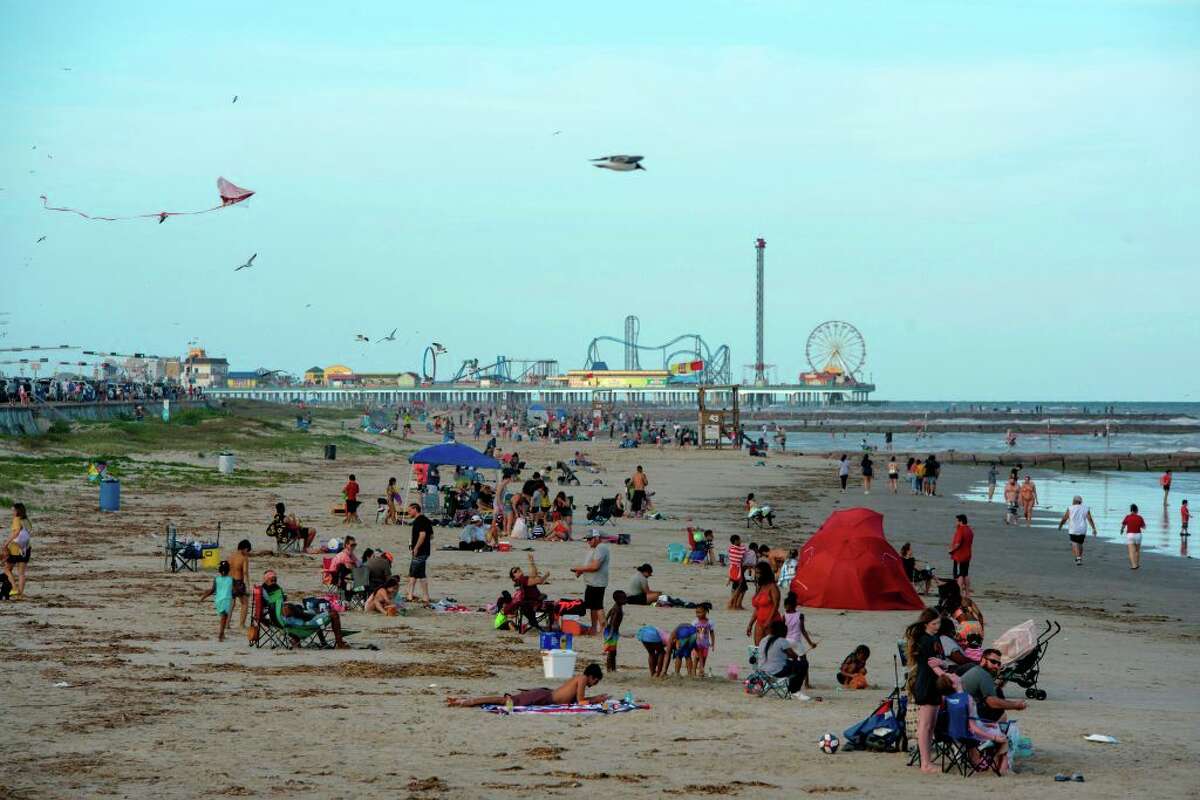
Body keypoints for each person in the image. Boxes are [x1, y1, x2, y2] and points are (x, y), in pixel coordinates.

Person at [446, 662, 607, 707]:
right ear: (592, 676)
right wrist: (596, 699)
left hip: (544, 695)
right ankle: (466, 701)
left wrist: (595, 698)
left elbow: (576, 699)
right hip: (544, 697)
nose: (594, 684)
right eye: (596, 681)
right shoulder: (583, 679)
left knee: (509, 700)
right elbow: (581, 702)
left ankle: (464, 700)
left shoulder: (579, 679)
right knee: (506, 701)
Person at [906, 608, 949, 773]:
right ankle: (925, 763)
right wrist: (946, 676)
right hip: (927, 683)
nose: (937, 626)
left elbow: (940, 661)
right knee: (924, 725)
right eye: (934, 623)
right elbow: (932, 665)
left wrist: (943, 666)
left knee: (931, 725)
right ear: (926, 624)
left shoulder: (935, 638)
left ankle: (927, 760)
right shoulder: (925, 640)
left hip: (934, 683)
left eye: (938, 623)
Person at [261, 569, 349, 648]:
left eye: (274, 579)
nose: (274, 581)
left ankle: (301, 639)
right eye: (271, 579)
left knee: (297, 608)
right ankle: (339, 643)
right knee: (333, 614)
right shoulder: (274, 595)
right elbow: (284, 610)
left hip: (284, 624)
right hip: (293, 624)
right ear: (265, 580)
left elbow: (261, 616)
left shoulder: (267, 597)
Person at [571, 530, 610, 635]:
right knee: (593, 606)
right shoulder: (595, 549)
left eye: (590, 539)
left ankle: (604, 628)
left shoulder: (601, 548)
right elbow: (590, 565)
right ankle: (594, 628)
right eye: (587, 539)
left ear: (596, 538)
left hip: (597, 582)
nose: (588, 541)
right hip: (591, 582)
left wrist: (579, 568)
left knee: (598, 606)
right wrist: (581, 571)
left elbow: (595, 567)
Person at [756, 619, 808, 696]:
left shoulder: (764, 639)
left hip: (762, 671)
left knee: (789, 663)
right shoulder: (782, 641)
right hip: (776, 672)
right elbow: (794, 656)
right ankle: (794, 690)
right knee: (803, 664)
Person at [782, 592, 817, 687]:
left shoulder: (784, 616)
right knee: (804, 662)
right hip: (796, 642)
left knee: (786, 661)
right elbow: (803, 631)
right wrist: (811, 643)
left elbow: (782, 630)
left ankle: (786, 680)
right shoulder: (800, 615)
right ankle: (806, 683)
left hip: (787, 641)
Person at [508, 555, 549, 632]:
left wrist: (531, 562)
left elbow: (534, 575)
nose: (518, 570)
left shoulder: (522, 580)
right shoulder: (522, 580)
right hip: (531, 604)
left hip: (528, 604)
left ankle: (533, 626)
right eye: (515, 571)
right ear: (514, 577)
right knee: (535, 623)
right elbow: (538, 580)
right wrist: (545, 576)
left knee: (533, 622)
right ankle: (537, 627)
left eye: (518, 569)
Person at [746, 561, 781, 645]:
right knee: (758, 650)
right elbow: (757, 608)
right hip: (759, 622)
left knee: (771, 650)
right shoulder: (760, 587)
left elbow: (776, 605)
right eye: (756, 573)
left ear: (765, 573)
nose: (757, 575)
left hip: (772, 622)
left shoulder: (772, 587)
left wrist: (768, 621)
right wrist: (750, 623)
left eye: (759, 573)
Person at [1057, 494, 1098, 566]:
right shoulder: (1086, 508)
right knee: (1080, 544)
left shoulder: (1070, 508)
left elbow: (1065, 518)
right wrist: (1093, 528)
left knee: (1074, 543)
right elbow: (1090, 519)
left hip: (1073, 528)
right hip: (1082, 529)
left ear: (1074, 501)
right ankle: (1079, 557)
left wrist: (1060, 525)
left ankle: (1078, 558)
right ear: (1080, 502)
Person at [199, 560, 234, 641]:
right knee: (224, 617)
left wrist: (204, 597)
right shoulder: (231, 579)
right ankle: (220, 634)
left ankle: (222, 633)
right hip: (227, 601)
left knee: (223, 617)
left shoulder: (216, 579)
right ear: (229, 570)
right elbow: (235, 590)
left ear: (219, 570)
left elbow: (212, 590)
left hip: (218, 601)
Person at [3, 503, 33, 599]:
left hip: (16, 548)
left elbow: (16, 533)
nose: (12, 512)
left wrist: (6, 543)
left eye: (13, 511)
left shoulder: (17, 519)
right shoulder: (27, 520)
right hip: (26, 548)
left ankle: (15, 587)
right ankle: (19, 595)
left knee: (7, 569)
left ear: (17, 511)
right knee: (21, 573)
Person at [407, 502, 433, 603]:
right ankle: (424, 596)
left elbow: (422, 535)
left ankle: (410, 595)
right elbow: (431, 536)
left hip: (420, 551)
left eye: (410, 510)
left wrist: (416, 547)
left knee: (413, 573)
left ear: (415, 509)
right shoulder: (426, 520)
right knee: (420, 574)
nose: (409, 512)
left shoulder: (419, 521)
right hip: (426, 550)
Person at [227, 539, 252, 628]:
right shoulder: (244, 558)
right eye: (247, 550)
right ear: (245, 548)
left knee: (231, 603)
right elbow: (245, 572)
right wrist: (248, 586)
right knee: (245, 603)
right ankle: (241, 625)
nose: (247, 553)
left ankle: (227, 624)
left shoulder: (231, 556)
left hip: (229, 581)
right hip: (238, 582)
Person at [949, 514, 974, 594]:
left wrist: (951, 550)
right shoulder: (970, 530)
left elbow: (958, 543)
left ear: (960, 521)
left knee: (960, 574)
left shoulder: (961, 530)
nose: (956, 522)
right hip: (968, 554)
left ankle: (959, 592)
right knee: (965, 573)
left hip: (960, 555)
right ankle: (967, 592)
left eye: (957, 521)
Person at [603, 590, 626, 672]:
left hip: (610, 631)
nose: (625, 600)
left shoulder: (616, 606)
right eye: (623, 599)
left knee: (612, 652)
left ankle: (612, 669)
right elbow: (613, 623)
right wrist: (611, 635)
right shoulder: (618, 610)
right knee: (611, 652)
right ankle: (610, 669)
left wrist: (605, 620)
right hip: (612, 632)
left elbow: (609, 612)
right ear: (618, 600)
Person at [692, 603, 716, 676]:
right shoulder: (695, 622)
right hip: (697, 643)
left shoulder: (710, 622)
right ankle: (693, 672)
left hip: (705, 644)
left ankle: (701, 671)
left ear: (705, 612)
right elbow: (692, 633)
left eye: (699, 612)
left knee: (704, 657)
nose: (697, 614)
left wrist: (713, 643)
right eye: (696, 612)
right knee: (696, 658)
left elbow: (712, 633)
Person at [1121, 503, 1146, 570]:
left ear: (1131, 510)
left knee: (1131, 551)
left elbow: (1123, 525)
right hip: (1138, 535)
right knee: (1137, 551)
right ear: (1136, 510)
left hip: (1130, 535)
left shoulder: (1127, 517)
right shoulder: (1140, 517)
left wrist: (1122, 530)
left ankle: (1134, 565)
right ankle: (1137, 564)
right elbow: (1144, 527)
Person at [727, 534, 748, 610]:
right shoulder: (742, 549)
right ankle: (733, 604)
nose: (740, 541)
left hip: (732, 569)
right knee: (740, 587)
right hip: (739, 569)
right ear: (736, 541)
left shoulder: (730, 548)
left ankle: (735, 604)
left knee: (737, 586)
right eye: (739, 539)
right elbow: (745, 553)